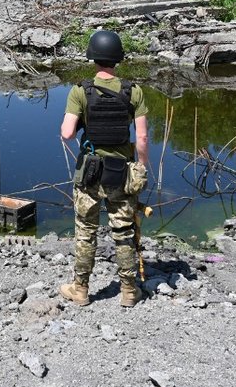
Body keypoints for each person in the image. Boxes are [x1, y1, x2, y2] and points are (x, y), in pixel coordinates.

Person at [59, 30, 150, 308]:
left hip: (90, 174)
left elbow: (67, 133)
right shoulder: (133, 91)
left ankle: (81, 290)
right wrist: (142, 168)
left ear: (93, 58)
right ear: (118, 59)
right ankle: (128, 291)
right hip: (121, 173)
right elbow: (143, 137)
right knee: (123, 231)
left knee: (86, 230)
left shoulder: (80, 91)